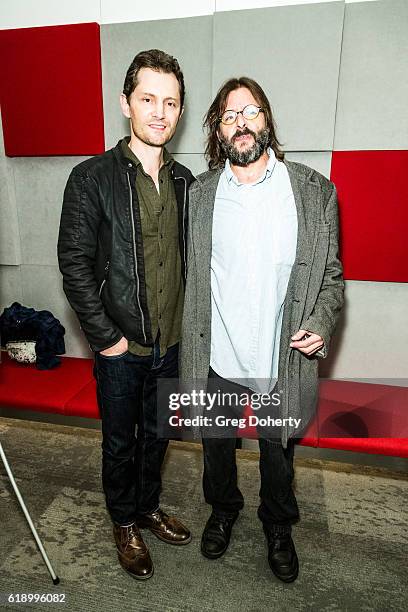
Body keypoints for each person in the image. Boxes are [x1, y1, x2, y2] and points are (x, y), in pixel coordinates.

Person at [180, 77, 344, 583]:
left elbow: (332, 276)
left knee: (277, 454)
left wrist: (319, 322)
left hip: (281, 359)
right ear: (218, 130)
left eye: (250, 111)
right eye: (229, 115)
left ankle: (278, 525)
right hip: (217, 353)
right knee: (216, 448)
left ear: (267, 119)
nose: (241, 122)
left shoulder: (313, 191)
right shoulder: (200, 195)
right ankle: (223, 510)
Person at [58, 49, 194, 580]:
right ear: (126, 104)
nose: (159, 112)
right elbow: (74, 265)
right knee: (120, 441)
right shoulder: (92, 177)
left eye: (170, 103)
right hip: (120, 348)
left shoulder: (187, 183)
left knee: (158, 436)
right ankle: (124, 521)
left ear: (179, 112)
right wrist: (105, 338)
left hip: (172, 343)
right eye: (148, 100)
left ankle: (147, 507)